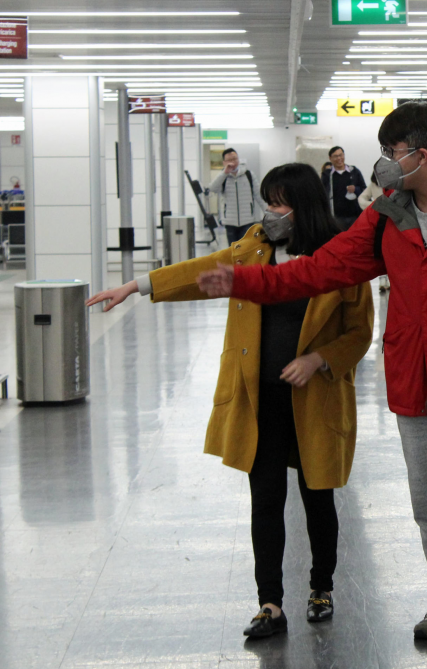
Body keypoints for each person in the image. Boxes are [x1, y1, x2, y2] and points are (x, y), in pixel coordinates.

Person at [195, 102, 427, 648]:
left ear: (423, 153)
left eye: (392, 152)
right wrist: (245, 282)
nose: (385, 163)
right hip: (415, 378)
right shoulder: (388, 212)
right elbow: (323, 268)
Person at [85, 163, 375, 638]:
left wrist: (319, 359)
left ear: (303, 206)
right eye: (268, 201)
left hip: (316, 399)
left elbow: (359, 332)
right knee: (265, 499)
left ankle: (322, 587)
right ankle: (270, 603)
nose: (270, 212)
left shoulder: (340, 259)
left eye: (279, 203)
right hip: (259, 397)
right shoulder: (254, 247)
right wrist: (136, 286)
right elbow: (199, 272)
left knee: (317, 497)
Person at [207, 148, 265, 245]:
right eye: (229, 160)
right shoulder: (223, 177)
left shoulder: (248, 174)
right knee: (233, 250)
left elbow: (258, 195)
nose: (233, 162)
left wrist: (267, 212)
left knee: (246, 248)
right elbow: (212, 188)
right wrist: (224, 173)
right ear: (224, 162)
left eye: (235, 159)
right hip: (230, 222)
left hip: (247, 220)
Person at [357, 171, 390, 292]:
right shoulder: (374, 185)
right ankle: (382, 279)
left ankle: (391, 279)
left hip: (394, 222)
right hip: (380, 222)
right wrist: (373, 205)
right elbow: (361, 198)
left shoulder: (395, 183)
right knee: (380, 250)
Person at [323, 146, 367, 230]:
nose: (339, 158)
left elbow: (364, 190)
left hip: (355, 215)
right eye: (336, 156)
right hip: (336, 216)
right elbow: (322, 193)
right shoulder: (327, 175)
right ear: (330, 158)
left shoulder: (354, 171)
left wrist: (356, 189)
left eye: (341, 155)